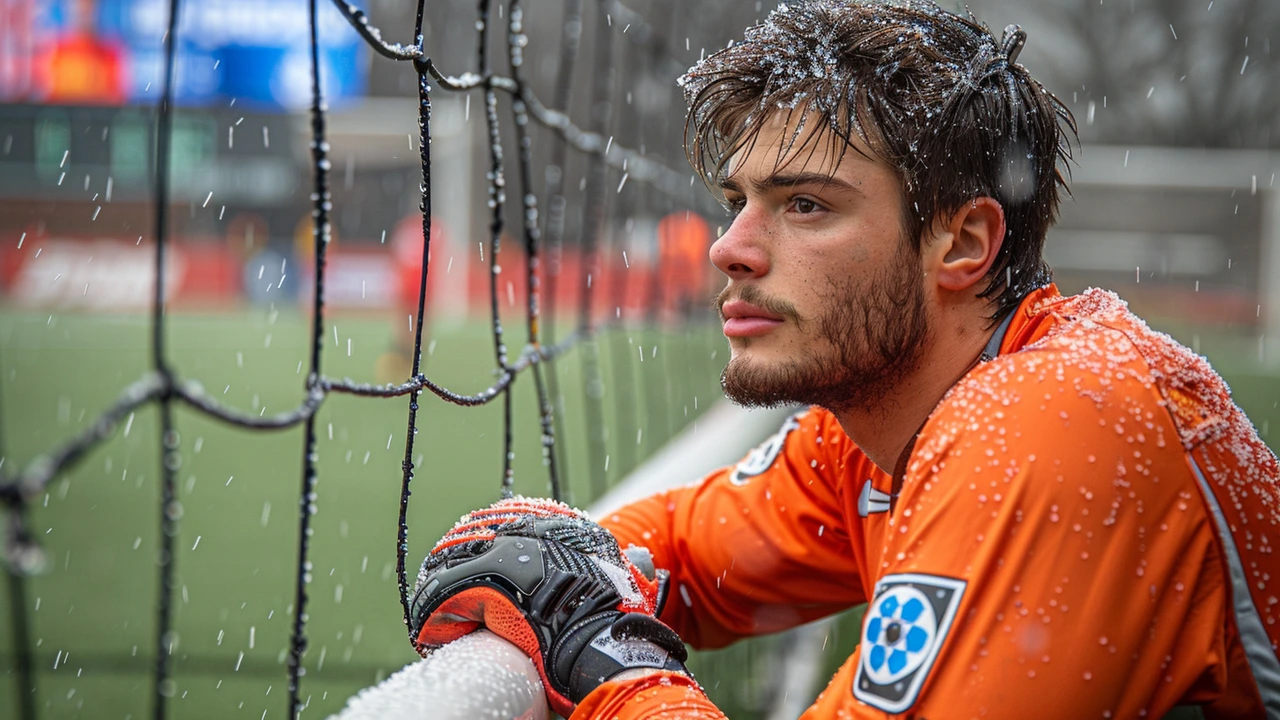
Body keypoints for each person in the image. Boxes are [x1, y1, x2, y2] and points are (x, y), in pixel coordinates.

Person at [409, 1, 1280, 718]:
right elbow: (686, 554)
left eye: (806, 206)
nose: (730, 250)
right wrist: (554, 558)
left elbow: (613, 627)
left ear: (963, 242)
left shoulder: (1056, 427)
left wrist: (611, 669)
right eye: (738, 201)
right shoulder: (882, 415)